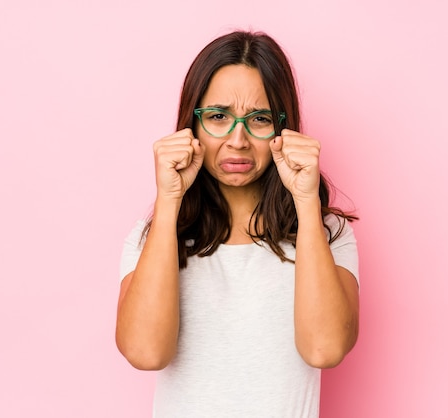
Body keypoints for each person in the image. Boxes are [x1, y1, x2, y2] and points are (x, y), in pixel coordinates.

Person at [116, 30, 360, 417]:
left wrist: (306, 201)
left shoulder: (327, 232)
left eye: (259, 119)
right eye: (217, 117)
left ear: (283, 128)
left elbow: (324, 349)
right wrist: (169, 200)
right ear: (191, 126)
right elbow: (146, 353)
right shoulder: (153, 236)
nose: (238, 140)